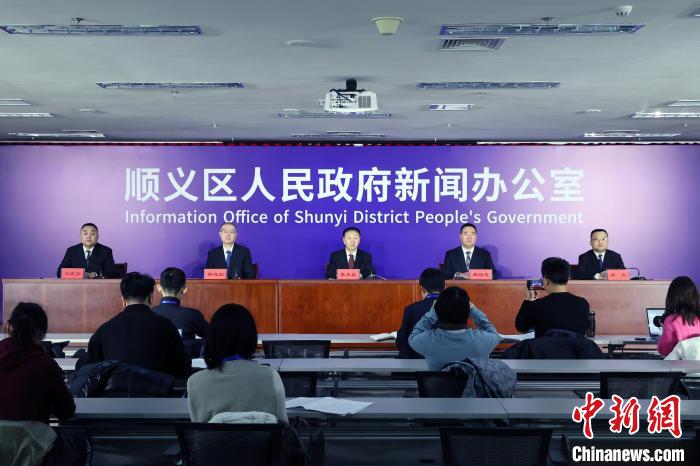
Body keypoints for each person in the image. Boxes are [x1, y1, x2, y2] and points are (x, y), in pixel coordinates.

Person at [187, 304, 288, 423]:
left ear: (212, 337)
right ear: (251, 337)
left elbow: (198, 428)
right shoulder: (270, 376)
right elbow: (283, 425)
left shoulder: (195, 382)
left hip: (216, 436)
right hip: (260, 436)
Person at [85, 272, 190, 377]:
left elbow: (91, 368)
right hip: (157, 387)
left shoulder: (104, 329)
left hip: (115, 387)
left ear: (123, 300)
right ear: (150, 298)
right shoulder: (166, 326)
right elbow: (182, 367)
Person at [0, 303, 75, 424]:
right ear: (41, 333)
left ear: (9, 327)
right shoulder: (46, 366)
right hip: (33, 436)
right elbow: (66, 411)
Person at [408, 286, 499, 370]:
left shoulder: (429, 341)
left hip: (440, 384)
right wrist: (474, 311)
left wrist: (432, 314)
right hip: (472, 384)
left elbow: (413, 336)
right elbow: (493, 333)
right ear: (468, 312)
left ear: (438, 311)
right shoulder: (481, 341)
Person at [515, 257, 589, 338]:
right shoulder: (583, 304)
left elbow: (521, 327)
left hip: (544, 347)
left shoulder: (537, 305)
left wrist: (529, 300)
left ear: (545, 281)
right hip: (574, 347)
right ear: (568, 278)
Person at [152, 267, 209, 359]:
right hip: (184, 366)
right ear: (184, 289)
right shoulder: (192, 315)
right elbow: (213, 337)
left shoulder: (149, 313)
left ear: (159, 288)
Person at [396, 268, 445, 359]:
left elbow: (401, 341)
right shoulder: (453, 309)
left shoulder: (411, 309)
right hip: (445, 364)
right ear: (444, 288)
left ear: (422, 289)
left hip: (414, 364)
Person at [657, 276, 700, 357]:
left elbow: (664, 350)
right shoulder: (698, 317)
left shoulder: (672, 320)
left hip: (681, 363)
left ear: (672, 296)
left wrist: (664, 330)